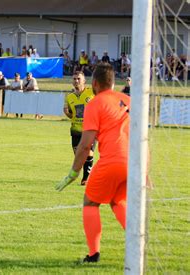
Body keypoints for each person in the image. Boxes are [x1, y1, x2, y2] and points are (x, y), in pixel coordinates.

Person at [56, 63, 131, 263]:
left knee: (90, 202)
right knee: (117, 201)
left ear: (94, 83)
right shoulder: (128, 100)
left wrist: (73, 174)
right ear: (114, 83)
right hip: (134, 163)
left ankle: (93, 255)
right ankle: (137, 241)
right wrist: (145, 168)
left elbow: (85, 145)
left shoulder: (95, 103)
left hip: (112, 161)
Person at [63, 71, 95, 185]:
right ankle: (84, 174)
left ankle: (86, 178)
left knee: (88, 152)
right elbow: (71, 114)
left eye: (78, 79)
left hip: (90, 129)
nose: (76, 81)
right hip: (75, 129)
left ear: (84, 81)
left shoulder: (91, 93)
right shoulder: (69, 97)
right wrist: (67, 112)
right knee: (79, 155)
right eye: (74, 79)